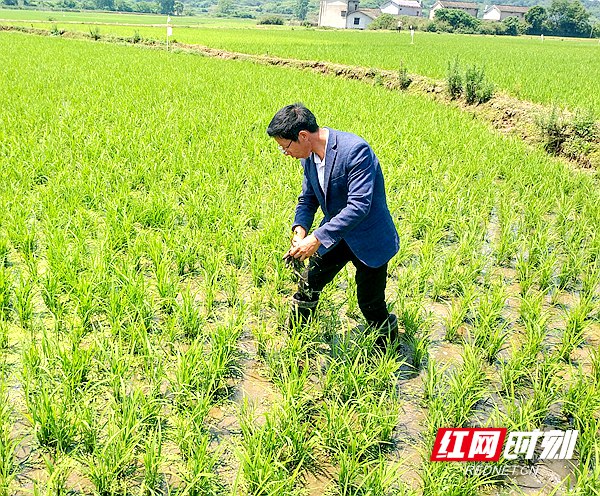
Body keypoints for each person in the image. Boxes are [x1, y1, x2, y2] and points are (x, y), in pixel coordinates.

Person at [266, 103, 399, 345]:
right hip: (336, 235)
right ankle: (296, 340)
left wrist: (316, 238)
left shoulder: (355, 151)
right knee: (309, 282)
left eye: (285, 147)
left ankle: (389, 346)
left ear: (303, 136)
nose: (285, 153)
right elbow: (308, 199)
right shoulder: (308, 158)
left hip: (369, 239)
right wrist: (300, 231)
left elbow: (359, 206)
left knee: (370, 303)